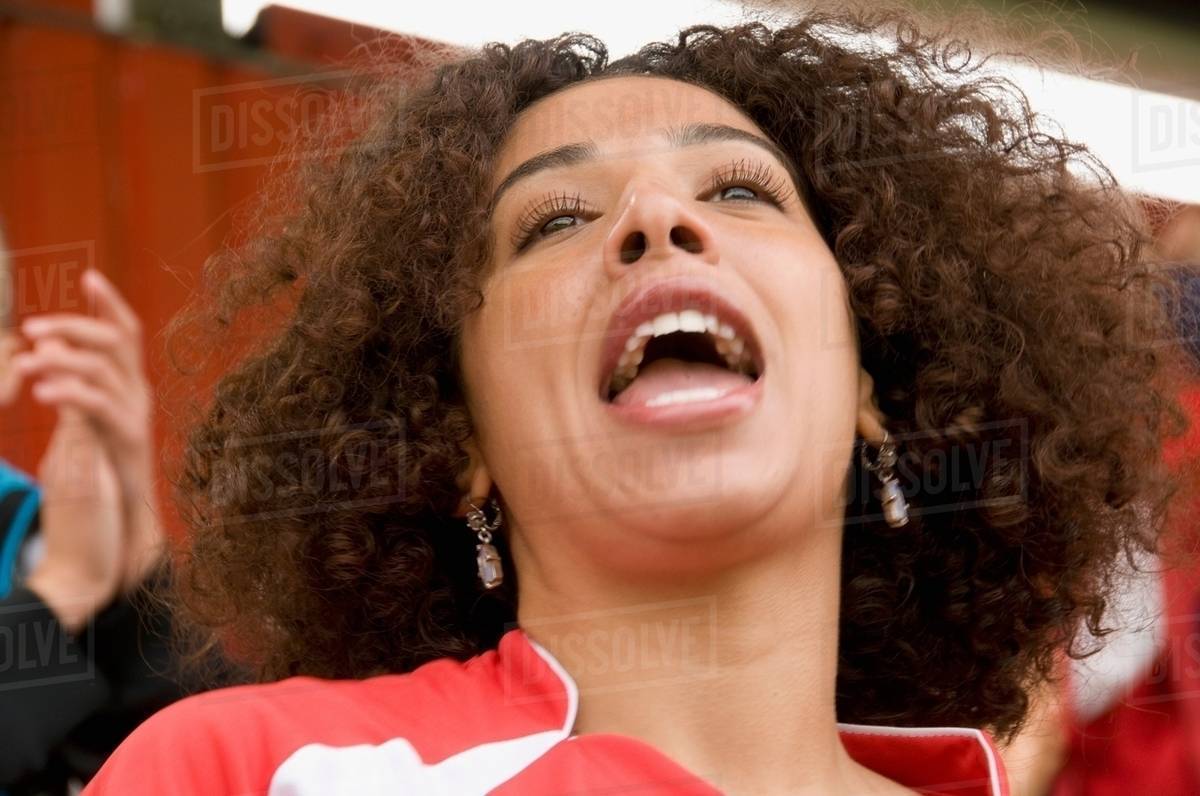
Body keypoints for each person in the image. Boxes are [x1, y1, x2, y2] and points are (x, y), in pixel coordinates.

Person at [84, 9, 1188, 795]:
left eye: (741, 189)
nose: (658, 218)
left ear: (872, 388)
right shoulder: (243, 773)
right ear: (457, 437)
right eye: (553, 220)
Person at [0, 230, 183, 793]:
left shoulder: (34, 531)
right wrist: (62, 590)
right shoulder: (61, 561)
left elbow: (172, 760)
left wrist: (137, 571)